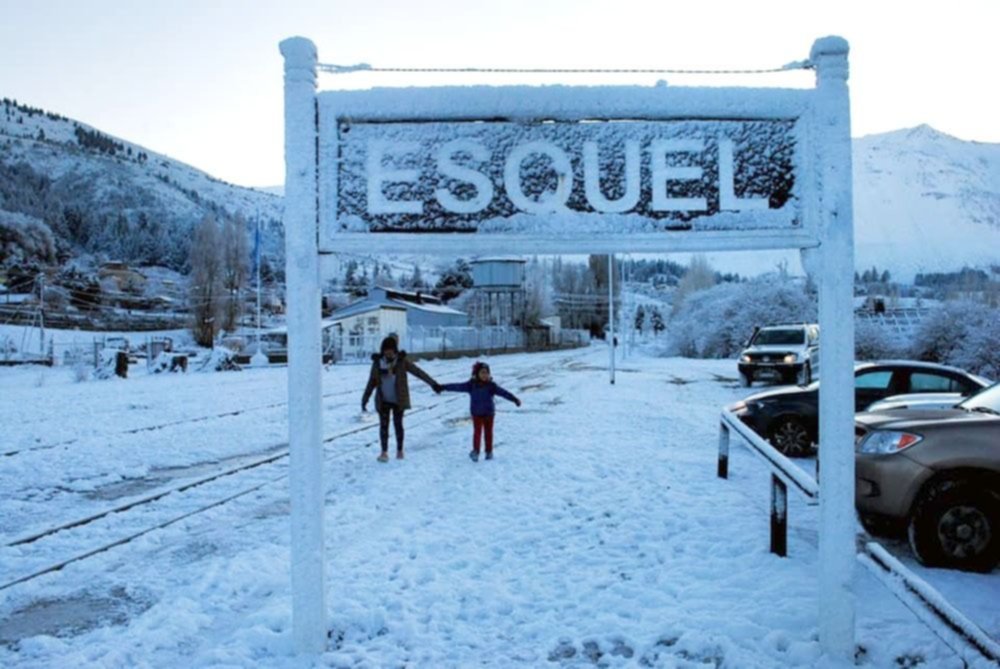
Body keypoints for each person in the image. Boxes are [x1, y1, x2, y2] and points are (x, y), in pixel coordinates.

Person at [362, 335, 441, 462]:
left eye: (391, 351)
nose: (388, 353)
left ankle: (399, 450)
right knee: (384, 426)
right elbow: (371, 382)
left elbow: (418, 372)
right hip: (383, 400)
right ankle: (384, 452)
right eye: (386, 351)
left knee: (398, 424)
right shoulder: (378, 363)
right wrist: (365, 398)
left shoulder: (401, 361)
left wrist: (433, 384)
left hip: (398, 400)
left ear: (395, 350)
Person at [440, 361, 521, 462]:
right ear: (476, 374)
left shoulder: (491, 386)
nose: (485, 375)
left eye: (487, 373)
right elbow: (457, 386)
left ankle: (489, 452)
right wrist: (443, 387)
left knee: (488, 433)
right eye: (482, 372)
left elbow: (503, 393)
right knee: (477, 433)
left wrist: (514, 399)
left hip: (489, 413)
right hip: (477, 414)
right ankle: (476, 452)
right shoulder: (471, 385)